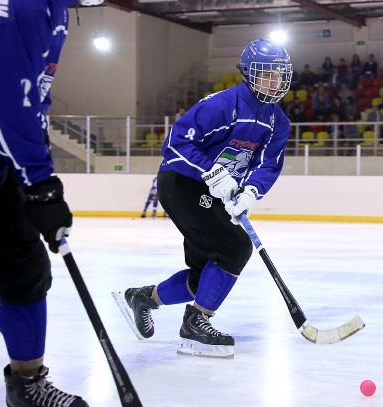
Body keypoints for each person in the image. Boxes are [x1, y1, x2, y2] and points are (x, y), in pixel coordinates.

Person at [0, 1, 105, 406]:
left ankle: (27, 386)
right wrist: (40, 183)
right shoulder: (21, 5)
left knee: (26, 275)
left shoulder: (54, 9)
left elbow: (32, 98)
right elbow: (4, 103)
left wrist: (35, 173)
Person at [119, 38, 293, 359]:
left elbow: (268, 164)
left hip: (216, 191)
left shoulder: (277, 122)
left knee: (205, 273)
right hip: (183, 183)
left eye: (279, 75)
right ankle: (197, 323)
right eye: (266, 73)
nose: (273, 81)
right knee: (236, 247)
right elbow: (175, 144)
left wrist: (250, 191)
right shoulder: (222, 105)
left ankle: (144, 298)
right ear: (248, 73)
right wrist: (211, 172)